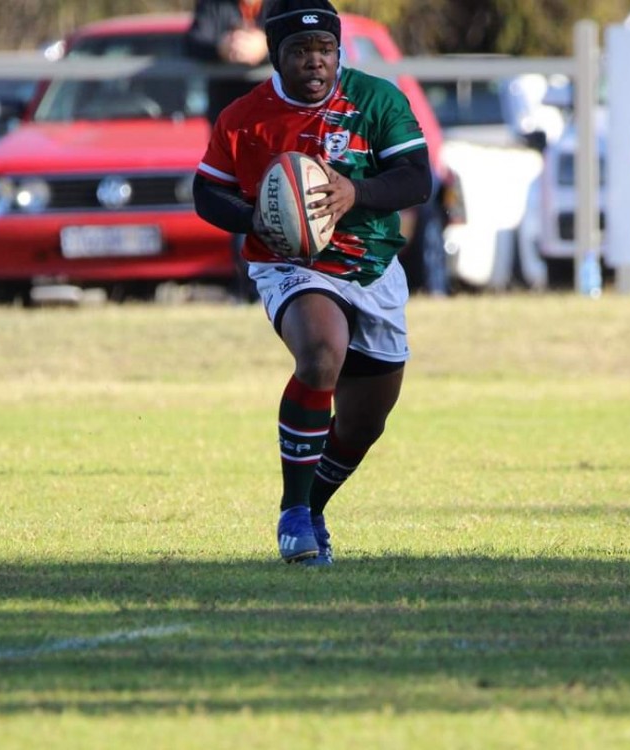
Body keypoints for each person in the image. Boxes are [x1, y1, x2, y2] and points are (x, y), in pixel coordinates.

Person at [193, 0, 432, 565]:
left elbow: (416, 178)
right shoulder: (244, 117)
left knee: (365, 421)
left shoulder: (376, 99)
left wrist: (356, 192)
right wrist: (255, 218)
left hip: (370, 266)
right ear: (276, 54)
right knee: (322, 352)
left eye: (325, 48)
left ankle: (313, 506)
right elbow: (207, 192)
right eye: (301, 50)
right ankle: (294, 514)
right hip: (290, 264)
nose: (315, 61)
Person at [186, 0, 276, 303]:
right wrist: (222, 47)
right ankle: (250, 286)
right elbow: (193, 41)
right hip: (231, 121)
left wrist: (266, 44)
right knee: (238, 195)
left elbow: (308, 36)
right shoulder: (213, 4)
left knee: (279, 190)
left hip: (277, 117)